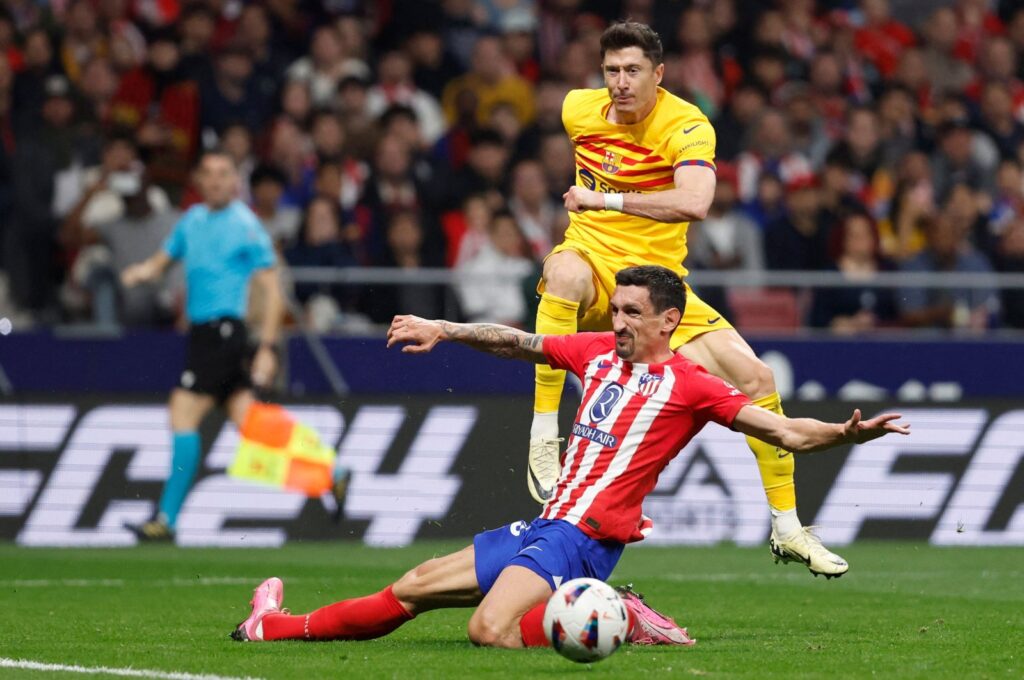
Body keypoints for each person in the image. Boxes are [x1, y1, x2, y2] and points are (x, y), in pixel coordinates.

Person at [229, 265, 909, 646]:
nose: (616, 322)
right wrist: (445, 329)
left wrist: (847, 435)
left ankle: (617, 612)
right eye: (615, 309)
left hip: (582, 542)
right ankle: (270, 627)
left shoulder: (692, 386)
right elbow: (513, 341)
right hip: (545, 524)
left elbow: (782, 431)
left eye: (632, 313)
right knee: (409, 589)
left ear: (670, 321)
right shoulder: (594, 354)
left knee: (487, 630)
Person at [526, 21, 850, 578]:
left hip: (657, 287)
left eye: (632, 71)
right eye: (611, 71)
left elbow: (697, 201)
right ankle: (541, 434)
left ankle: (787, 528)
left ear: (658, 74)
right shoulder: (577, 109)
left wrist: (602, 198)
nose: (620, 83)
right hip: (593, 263)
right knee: (563, 275)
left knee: (758, 380)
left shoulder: (687, 123)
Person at [120, 150, 284, 541]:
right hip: (202, 334)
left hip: (225, 332)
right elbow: (161, 261)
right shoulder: (191, 221)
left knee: (183, 413)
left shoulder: (245, 224)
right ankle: (333, 473)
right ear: (198, 179)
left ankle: (166, 520)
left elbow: (273, 292)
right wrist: (140, 272)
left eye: (223, 173)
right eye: (207, 173)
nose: (214, 180)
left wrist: (268, 347)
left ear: (234, 181)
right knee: (250, 424)